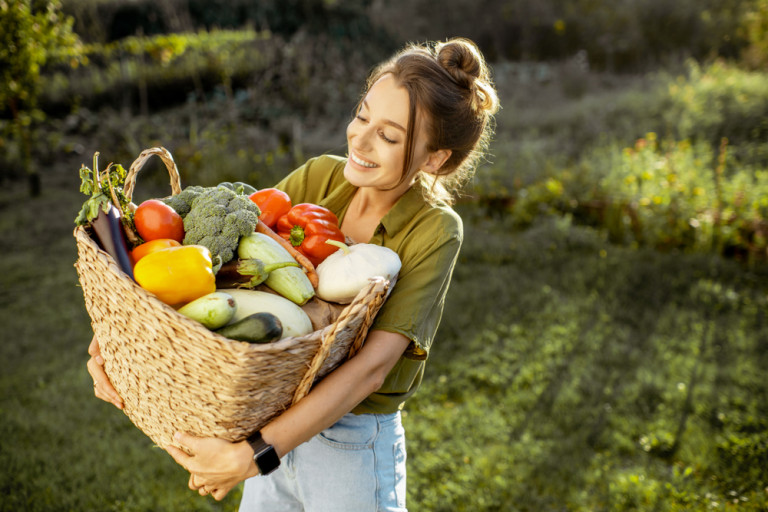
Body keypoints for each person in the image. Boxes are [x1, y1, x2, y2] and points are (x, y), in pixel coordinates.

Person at [87, 36, 499, 511]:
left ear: (434, 158)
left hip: (350, 445)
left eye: (388, 136)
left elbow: (371, 369)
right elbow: (207, 267)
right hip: (273, 415)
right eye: (362, 116)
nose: (360, 141)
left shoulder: (435, 230)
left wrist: (252, 456)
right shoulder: (321, 177)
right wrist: (116, 342)